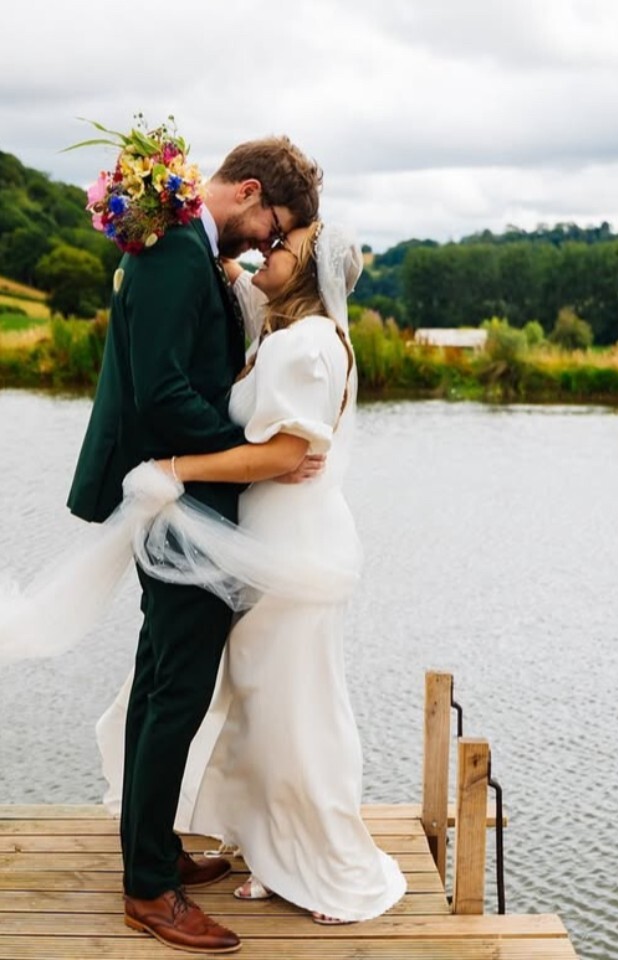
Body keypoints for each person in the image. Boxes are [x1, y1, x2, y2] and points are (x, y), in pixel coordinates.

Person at [96, 220, 407, 926]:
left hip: (288, 554)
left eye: (282, 247)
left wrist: (174, 469)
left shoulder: (303, 345)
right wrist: (217, 259)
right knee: (261, 708)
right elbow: (248, 284)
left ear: (306, 272)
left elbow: (276, 455)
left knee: (297, 706)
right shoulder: (289, 329)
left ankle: (323, 863)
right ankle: (273, 851)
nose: (264, 253)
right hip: (261, 548)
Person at [66, 137, 323, 956]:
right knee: (175, 689)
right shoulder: (179, 252)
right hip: (183, 502)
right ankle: (148, 888)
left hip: (174, 493)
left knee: (159, 680)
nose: (269, 243)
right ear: (250, 192)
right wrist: (246, 461)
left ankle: (153, 847)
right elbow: (165, 389)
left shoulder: (181, 245)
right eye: (274, 224)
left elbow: (175, 374)